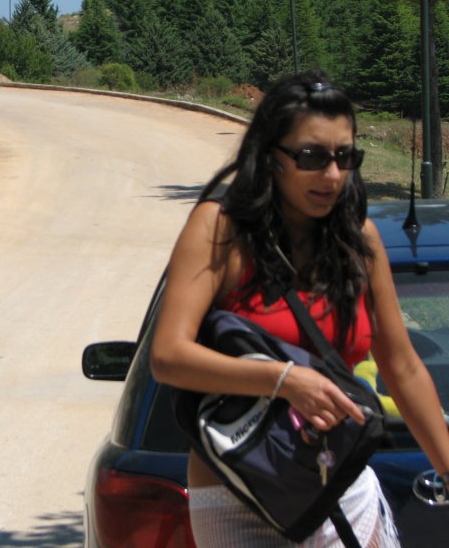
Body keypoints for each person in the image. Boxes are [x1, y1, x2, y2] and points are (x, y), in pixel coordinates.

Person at [150, 71, 449, 547]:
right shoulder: (221, 230)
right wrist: (285, 380)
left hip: (342, 489)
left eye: (344, 157)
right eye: (311, 157)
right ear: (271, 155)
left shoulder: (359, 241)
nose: (331, 175)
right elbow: (168, 356)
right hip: (238, 496)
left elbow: (403, 366)